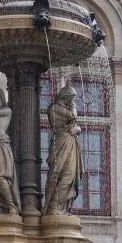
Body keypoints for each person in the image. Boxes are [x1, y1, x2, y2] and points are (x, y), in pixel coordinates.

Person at [44, 84, 84, 216]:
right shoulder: (54, 108)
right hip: (61, 142)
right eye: (71, 98)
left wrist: (76, 129)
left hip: (70, 142)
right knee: (57, 174)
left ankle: (61, 207)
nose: (72, 101)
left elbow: (76, 125)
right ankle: (53, 206)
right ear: (66, 97)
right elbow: (73, 115)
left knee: (70, 174)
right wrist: (73, 104)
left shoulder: (62, 109)